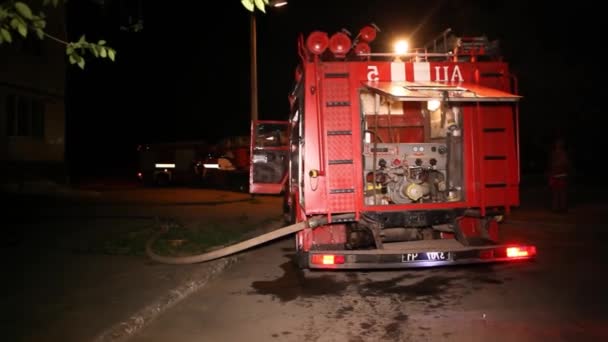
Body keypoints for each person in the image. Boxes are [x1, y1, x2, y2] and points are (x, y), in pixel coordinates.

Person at [547, 138, 570, 213]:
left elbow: (564, 164)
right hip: (557, 176)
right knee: (556, 192)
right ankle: (557, 208)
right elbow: (552, 164)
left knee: (560, 192)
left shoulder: (561, 154)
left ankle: (561, 208)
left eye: (558, 144)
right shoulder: (556, 154)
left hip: (560, 176)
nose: (557, 146)